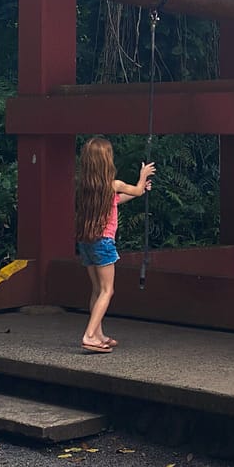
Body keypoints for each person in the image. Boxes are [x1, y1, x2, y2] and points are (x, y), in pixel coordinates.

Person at [75, 136, 155, 353]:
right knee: (107, 291)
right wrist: (142, 177)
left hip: (86, 242)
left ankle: (98, 333)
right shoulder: (114, 184)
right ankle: (90, 335)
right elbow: (135, 190)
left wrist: (139, 191)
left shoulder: (87, 186)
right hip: (104, 244)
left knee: (96, 289)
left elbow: (116, 200)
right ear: (106, 161)